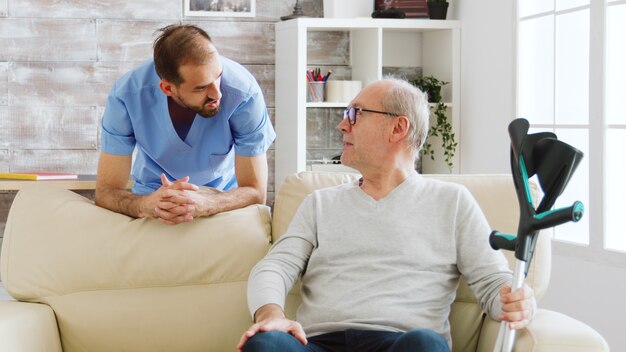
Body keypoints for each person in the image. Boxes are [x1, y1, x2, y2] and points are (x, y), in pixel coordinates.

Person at [237, 78, 536, 352]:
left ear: (398, 128)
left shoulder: (452, 202)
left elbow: (493, 282)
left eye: (355, 113)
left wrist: (518, 301)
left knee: (426, 345)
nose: (342, 125)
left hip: (401, 345)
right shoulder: (320, 203)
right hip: (319, 345)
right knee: (267, 344)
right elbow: (275, 267)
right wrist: (271, 314)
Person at [95, 24, 275, 225]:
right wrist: (143, 205)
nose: (218, 93)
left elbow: (256, 192)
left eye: (218, 76)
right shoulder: (126, 96)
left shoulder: (244, 93)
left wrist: (208, 203)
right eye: (201, 88)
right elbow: (106, 193)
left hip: (222, 199)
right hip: (153, 197)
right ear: (167, 88)